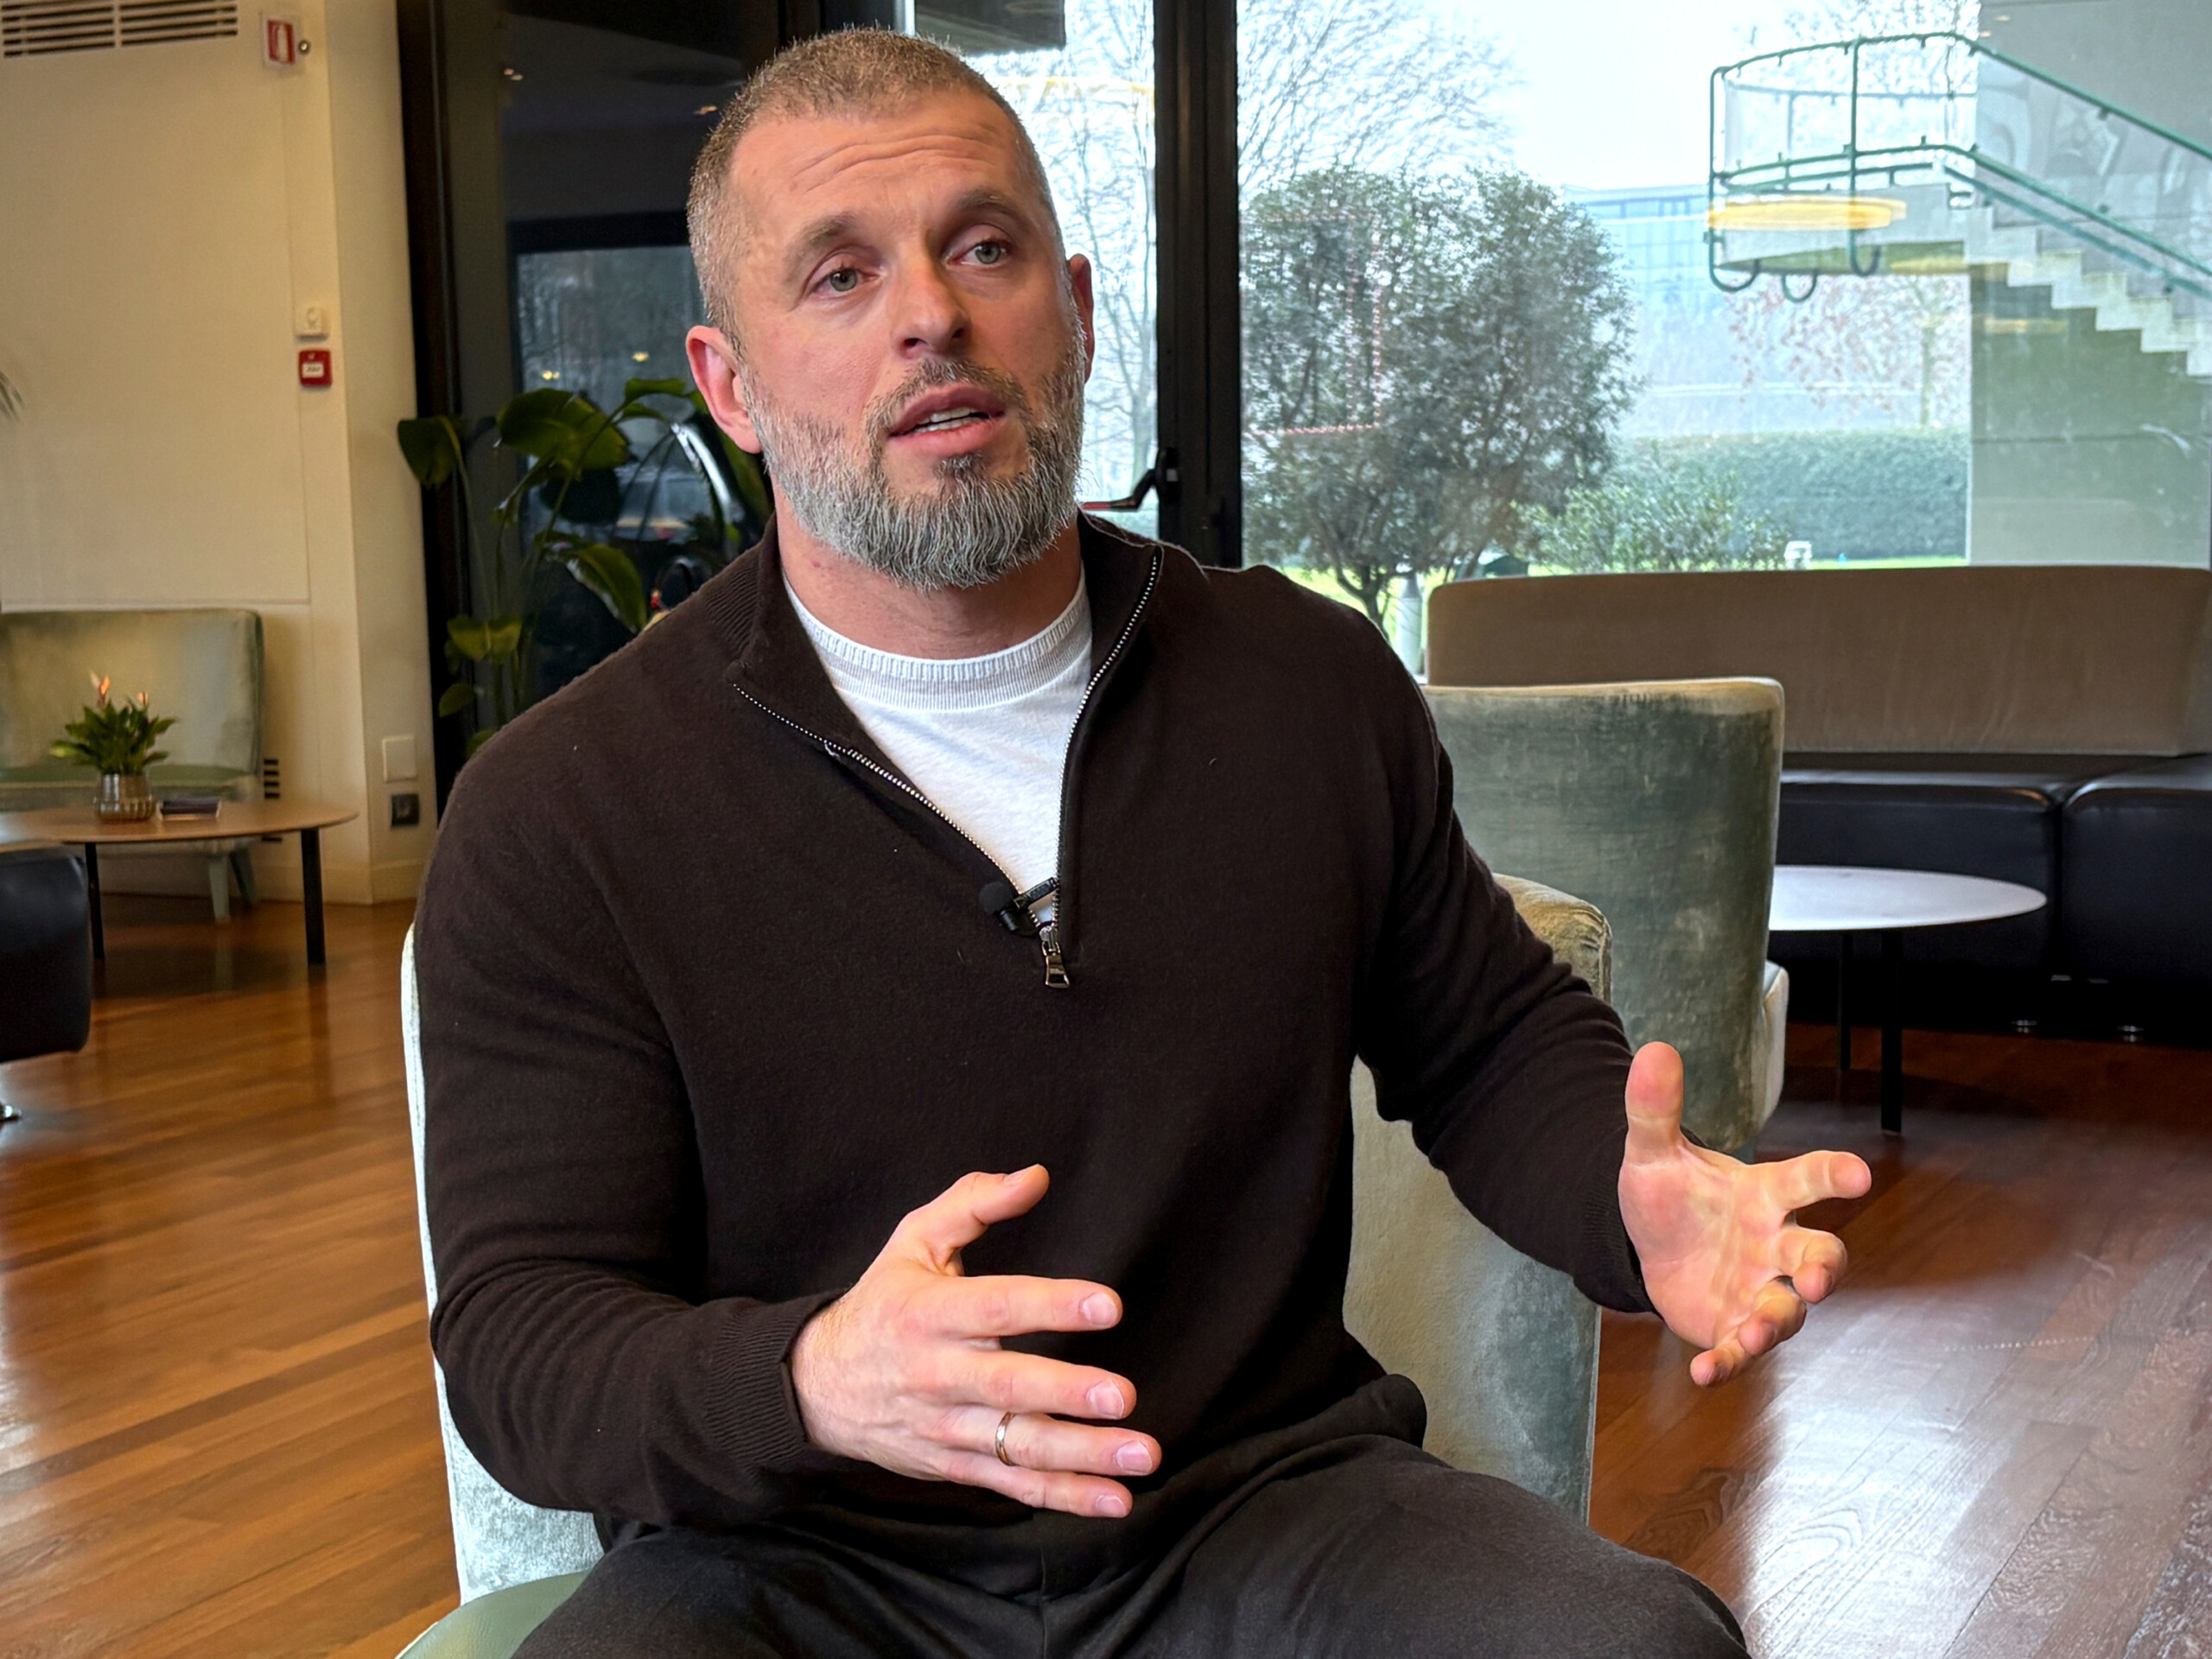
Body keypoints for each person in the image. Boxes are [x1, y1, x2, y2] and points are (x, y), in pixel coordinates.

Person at [414, 28, 1872, 1656]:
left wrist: (1626, 1191)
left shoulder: (1303, 684)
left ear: (1079, 311)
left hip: (1262, 1509)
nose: (931, 315)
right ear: (731, 386)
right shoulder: (564, 808)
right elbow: (524, 1338)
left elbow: (1484, 1044)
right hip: (791, 1560)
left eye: (984, 246)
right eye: (838, 275)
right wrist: (812, 1377)